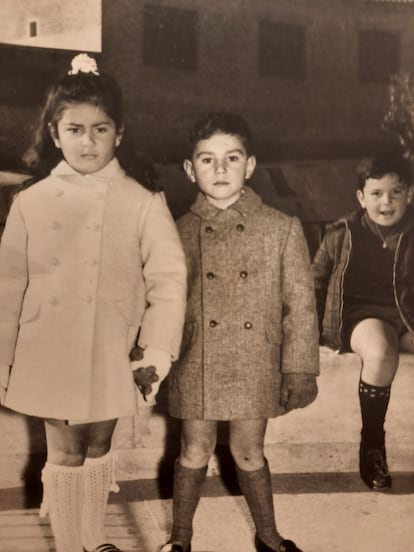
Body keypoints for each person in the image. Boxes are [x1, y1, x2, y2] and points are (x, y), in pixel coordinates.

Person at [0, 53, 187, 552]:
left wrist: (156, 350)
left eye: (100, 129)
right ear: (55, 133)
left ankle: (91, 539)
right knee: (64, 451)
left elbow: (169, 280)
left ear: (119, 133)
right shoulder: (31, 201)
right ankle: (70, 545)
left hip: (112, 347)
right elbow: (8, 287)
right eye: (75, 129)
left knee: (99, 445)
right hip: (48, 348)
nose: (88, 142)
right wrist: (4, 359)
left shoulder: (142, 201)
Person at [161, 111, 320, 552]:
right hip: (197, 360)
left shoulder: (282, 228)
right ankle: (180, 538)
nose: (221, 170)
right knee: (193, 449)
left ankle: (268, 535)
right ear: (190, 170)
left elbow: (302, 308)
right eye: (207, 160)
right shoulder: (174, 231)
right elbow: (162, 302)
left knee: (249, 452)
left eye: (232, 158)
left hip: (255, 360)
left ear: (250, 166)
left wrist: (300, 369)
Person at [312, 152, 414, 491]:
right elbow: (314, 282)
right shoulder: (343, 232)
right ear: (361, 197)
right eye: (376, 193)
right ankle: (372, 445)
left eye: (396, 192)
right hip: (363, 316)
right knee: (382, 351)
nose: (386, 202)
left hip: (408, 315)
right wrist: (304, 332)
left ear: (410, 194)